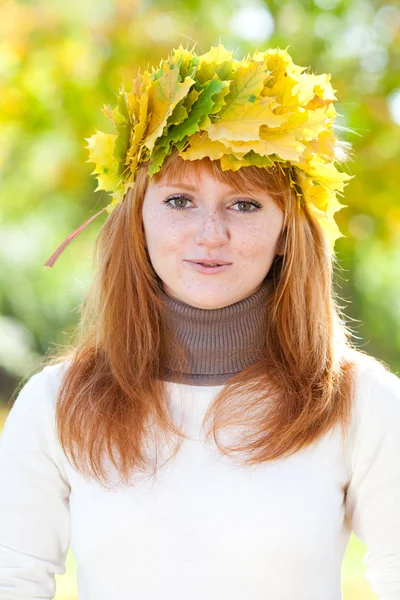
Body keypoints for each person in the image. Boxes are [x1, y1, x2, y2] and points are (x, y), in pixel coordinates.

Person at [0, 42, 399, 600]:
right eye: (180, 201)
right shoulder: (56, 405)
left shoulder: (362, 403)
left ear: (287, 231)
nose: (211, 234)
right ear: (137, 220)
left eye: (245, 204)